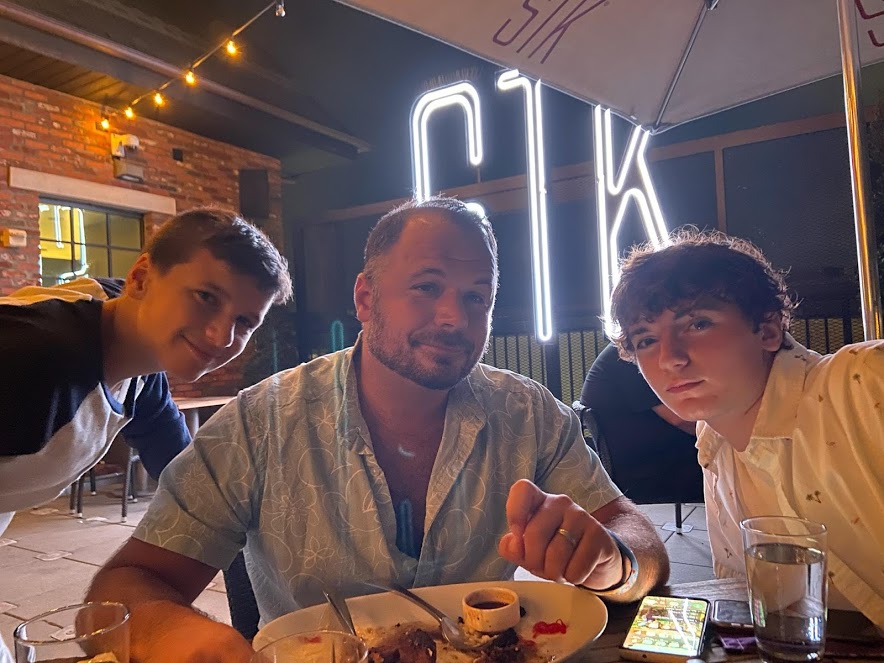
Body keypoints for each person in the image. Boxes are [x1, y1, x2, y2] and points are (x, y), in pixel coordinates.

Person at [86, 196, 669, 663]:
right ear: (365, 298)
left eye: (477, 297)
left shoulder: (527, 413)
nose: (455, 317)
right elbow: (122, 588)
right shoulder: (259, 424)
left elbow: (638, 539)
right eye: (426, 287)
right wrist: (178, 636)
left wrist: (612, 564)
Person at [608, 228, 884, 626]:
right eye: (646, 340)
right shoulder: (714, 442)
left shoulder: (862, 383)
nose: (670, 358)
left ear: (768, 330)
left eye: (698, 323)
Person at [0, 207, 292, 536]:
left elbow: (192, 485)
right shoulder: (34, 358)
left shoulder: (140, 361)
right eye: (206, 297)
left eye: (244, 321)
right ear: (140, 279)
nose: (221, 337)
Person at [580, 343, 703, 505]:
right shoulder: (628, 356)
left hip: (643, 459)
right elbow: (681, 419)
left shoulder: (632, 350)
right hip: (648, 467)